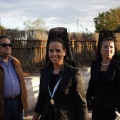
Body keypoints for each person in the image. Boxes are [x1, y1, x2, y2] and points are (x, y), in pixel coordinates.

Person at [32, 37, 88, 120]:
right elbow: (41, 99)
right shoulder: (45, 72)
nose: (54, 54)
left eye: (58, 50)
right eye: (51, 50)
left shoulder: (73, 73)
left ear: (64, 52)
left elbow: (81, 104)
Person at [86, 37, 120, 120]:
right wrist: (87, 99)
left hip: (112, 108)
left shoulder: (117, 66)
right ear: (100, 50)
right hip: (97, 106)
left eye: (111, 47)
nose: (109, 49)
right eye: (105, 46)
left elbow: (119, 88)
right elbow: (92, 84)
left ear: (114, 50)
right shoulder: (95, 64)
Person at [0, 35, 28, 120]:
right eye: (4, 45)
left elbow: (22, 82)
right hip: (3, 104)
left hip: (18, 103)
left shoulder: (16, 62)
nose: (8, 47)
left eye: (9, 45)